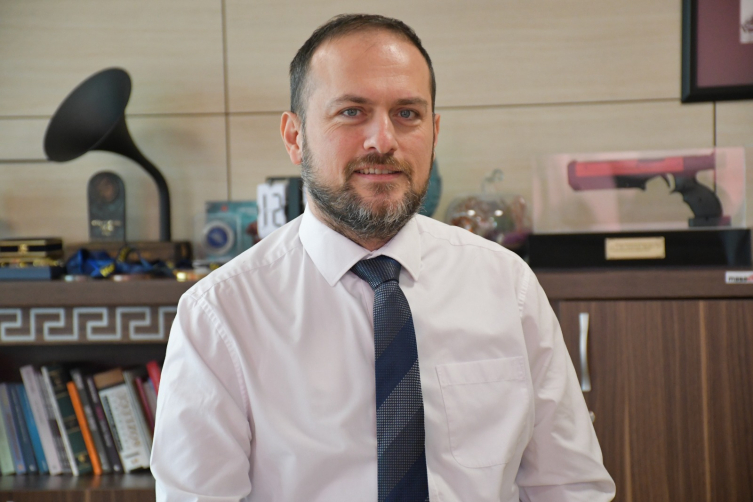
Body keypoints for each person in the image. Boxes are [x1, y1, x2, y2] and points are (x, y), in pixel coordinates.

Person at [151, 14, 615, 502]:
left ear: (434, 132)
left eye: (407, 114)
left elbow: (568, 487)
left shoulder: (506, 286)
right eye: (352, 111)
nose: (383, 140)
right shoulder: (220, 315)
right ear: (294, 137)